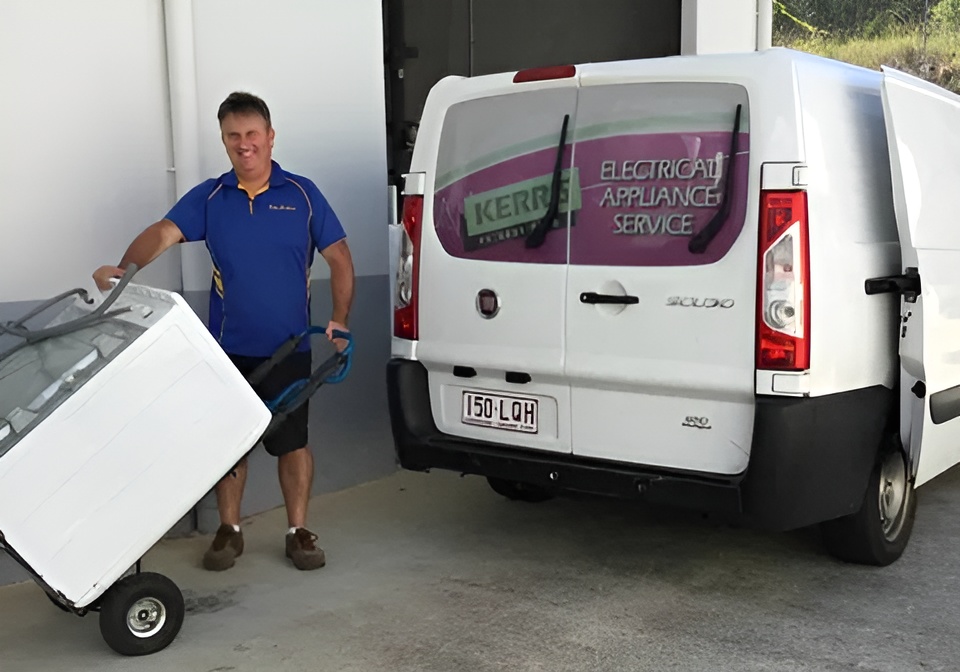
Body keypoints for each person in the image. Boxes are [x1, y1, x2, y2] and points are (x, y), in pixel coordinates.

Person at [93, 91, 355, 572]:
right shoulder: (211, 198)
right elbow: (163, 232)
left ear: (270, 137)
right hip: (227, 351)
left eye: (252, 133)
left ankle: (298, 531)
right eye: (233, 136)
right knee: (228, 446)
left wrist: (340, 318)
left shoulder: (303, 195)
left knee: (293, 442)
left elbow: (338, 257)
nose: (243, 143)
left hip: (291, 346)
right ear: (224, 140)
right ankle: (229, 530)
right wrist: (125, 268)